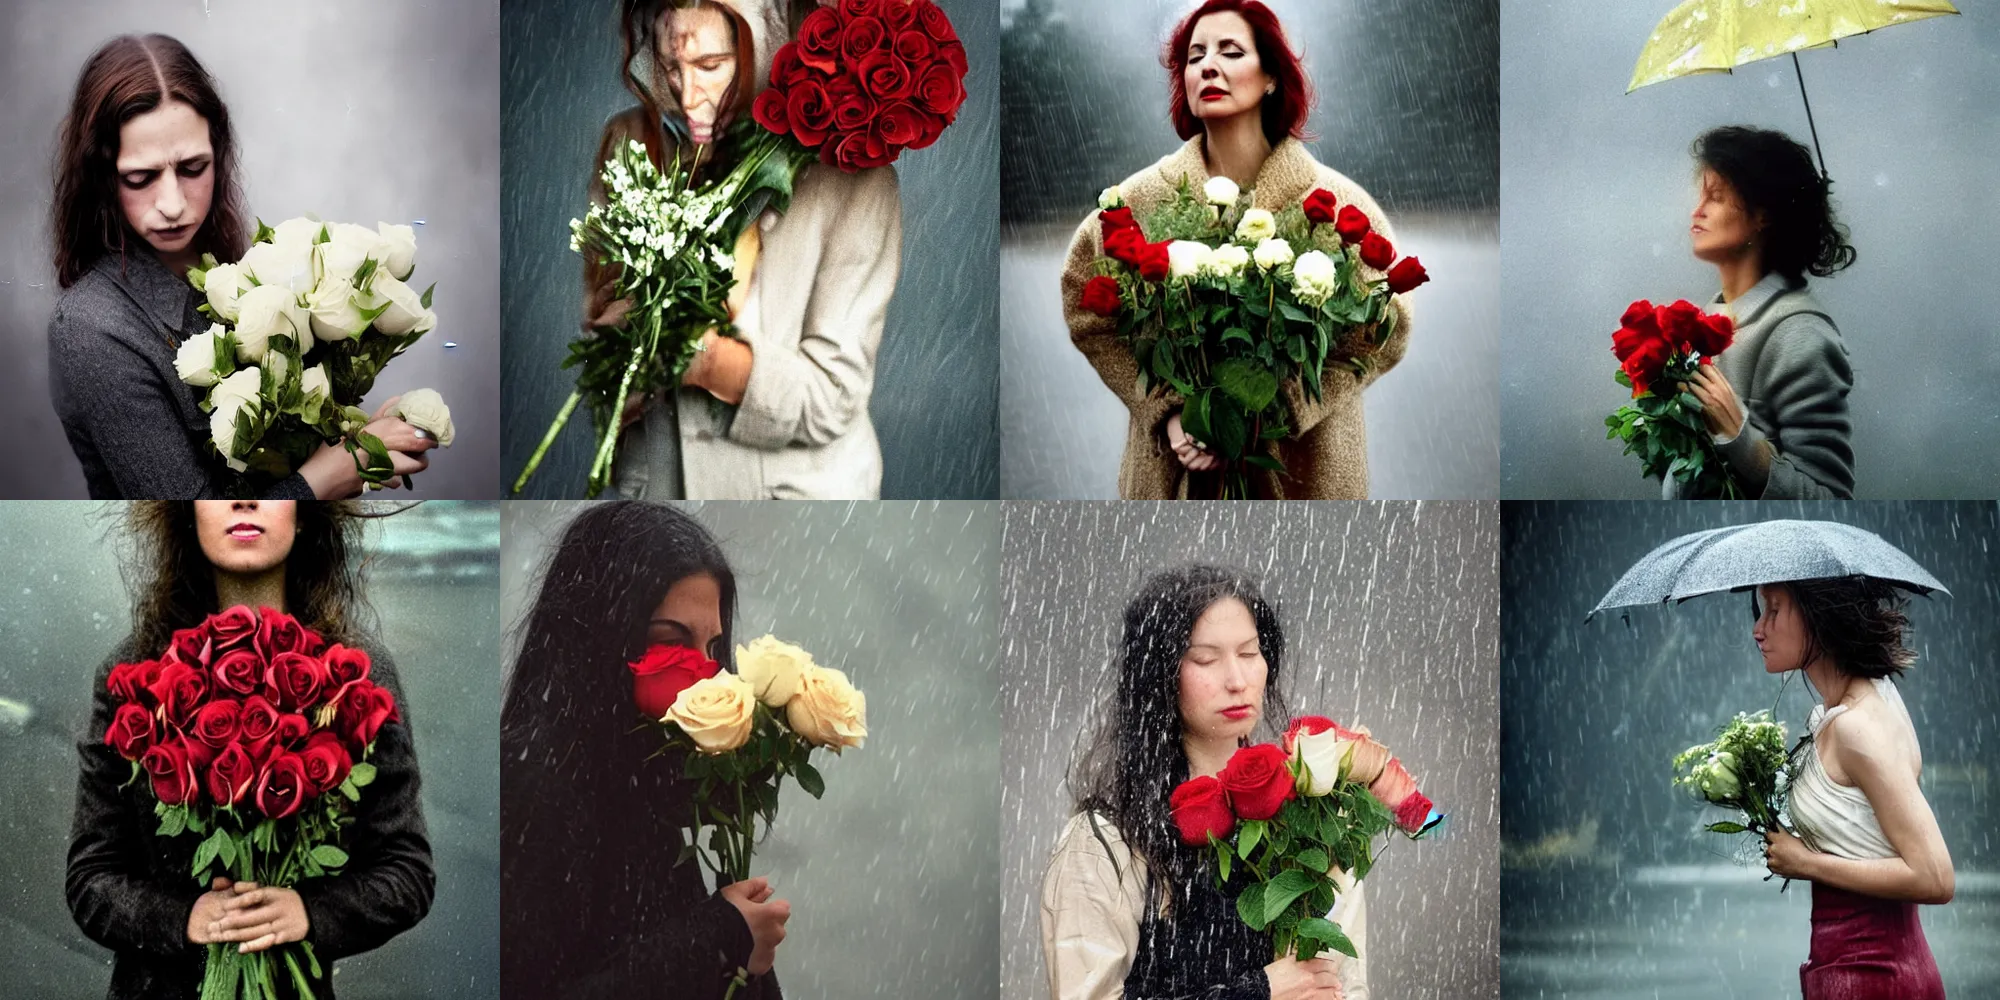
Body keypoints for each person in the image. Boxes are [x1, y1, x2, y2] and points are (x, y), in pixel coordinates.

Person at [67, 500, 433, 998]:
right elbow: (91, 879)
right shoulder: (134, 673)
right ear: (187, 511)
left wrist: (309, 911)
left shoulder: (357, 676)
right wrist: (185, 919)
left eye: (269, 484)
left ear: (304, 511)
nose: (244, 500)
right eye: (219, 487)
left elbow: (408, 872)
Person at [46, 35, 437, 499]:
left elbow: (276, 464)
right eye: (140, 177)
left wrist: (356, 441)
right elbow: (188, 515)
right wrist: (325, 479)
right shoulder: (93, 328)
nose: (172, 205)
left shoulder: (243, 269)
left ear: (220, 154)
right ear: (102, 177)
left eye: (193, 168)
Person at [1060, 0, 1413, 500]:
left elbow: (1386, 327)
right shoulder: (1134, 202)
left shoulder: (1337, 205)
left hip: (1303, 474)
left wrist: (1272, 410)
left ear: (1271, 76)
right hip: (1174, 473)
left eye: (1230, 51)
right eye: (1195, 55)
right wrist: (1169, 412)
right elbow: (1086, 306)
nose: (1209, 66)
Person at [591, 0, 902, 500]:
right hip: (653, 494)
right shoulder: (628, 142)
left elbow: (832, 400)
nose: (687, 95)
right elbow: (602, 348)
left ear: (767, 43)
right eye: (672, 67)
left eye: (711, 66)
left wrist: (699, 358)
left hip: (793, 501)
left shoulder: (855, 178)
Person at [500, 501, 789, 999]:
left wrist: (738, 949)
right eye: (671, 640)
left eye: (713, 649)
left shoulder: (649, 764)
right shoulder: (536, 782)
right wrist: (717, 935)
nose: (706, 674)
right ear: (603, 636)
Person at [1041, 566, 1364, 1000]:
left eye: (1249, 654)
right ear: (1162, 675)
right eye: (1206, 659)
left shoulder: (1314, 821)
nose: (1237, 680)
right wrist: (1257, 993)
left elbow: (1348, 985)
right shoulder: (1108, 841)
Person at [1753, 579, 1952, 998]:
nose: (1758, 628)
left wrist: (1806, 863)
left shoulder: (1857, 726)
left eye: (1773, 609)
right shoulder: (1850, 707)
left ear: (1817, 615)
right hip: (1851, 970)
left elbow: (1934, 876)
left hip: (1874, 975)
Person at [1671, 126, 1856, 499]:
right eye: (1700, 195)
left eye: (1717, 196)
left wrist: (1744, 444)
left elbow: (1833, 500)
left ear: (1764, 215)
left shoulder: (1800, 334)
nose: (1697, 211)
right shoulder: (1707, 322)